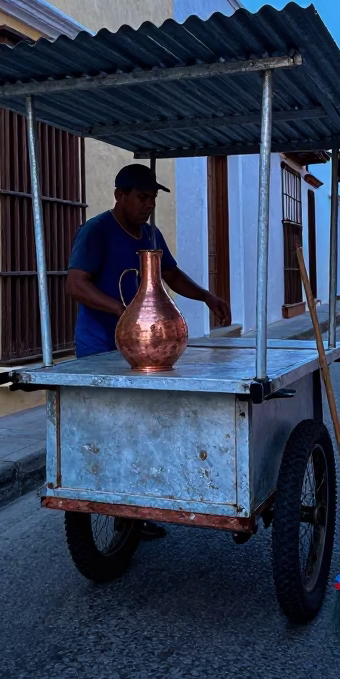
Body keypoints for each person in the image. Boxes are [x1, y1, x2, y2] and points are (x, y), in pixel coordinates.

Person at [67, 164, 231, 540]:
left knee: (140, 428)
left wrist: (206, 296)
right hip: (100, 349)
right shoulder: (96, 231)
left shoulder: (151, 234)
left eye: (153, 198)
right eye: (142, 197)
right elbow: (75, 285)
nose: (148, 205)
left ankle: (134, 511)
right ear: (119, 195)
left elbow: (170, 274)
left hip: (142, 356)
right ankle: (106, 502)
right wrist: (123, 310)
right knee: (107, 433)